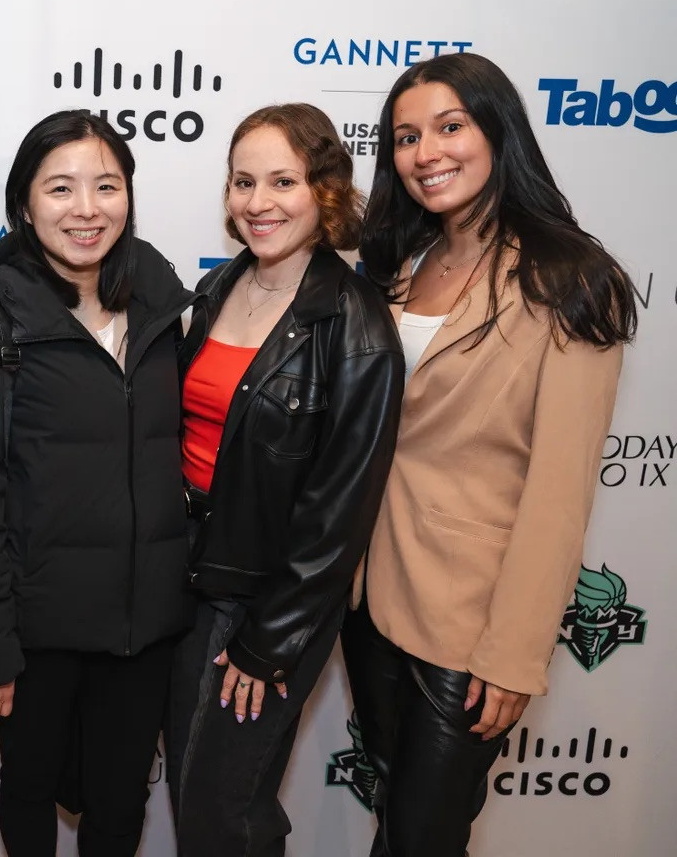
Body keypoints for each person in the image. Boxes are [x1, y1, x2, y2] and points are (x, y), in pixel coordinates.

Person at [341, 52, 637, 856]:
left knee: (425, 836)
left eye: (450, 127)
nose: (426, 153)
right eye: (406, 137)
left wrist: (513, 655)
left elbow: (560, 491)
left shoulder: (570, 280)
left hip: (471, 620)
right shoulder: (400, 266)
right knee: (398, 820)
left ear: (498, 132)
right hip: (367, 598)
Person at [0, 109, 194, 857]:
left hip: (143, 625)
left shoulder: (162, 302)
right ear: (25, 203)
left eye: (106, 186)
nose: (86, 209)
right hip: (34, 631)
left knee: (121, 803)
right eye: (61, 187)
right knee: (32, 791)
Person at [165, 104, 404, 856]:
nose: (258, 202)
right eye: (243, 182)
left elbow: (341, 511)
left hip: (267, 601)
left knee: (224, 811)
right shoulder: (217, 288)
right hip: (190, 578)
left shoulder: (355, 324)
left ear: (324, 190)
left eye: (282, 181)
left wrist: (271, 640)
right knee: (197, 801)